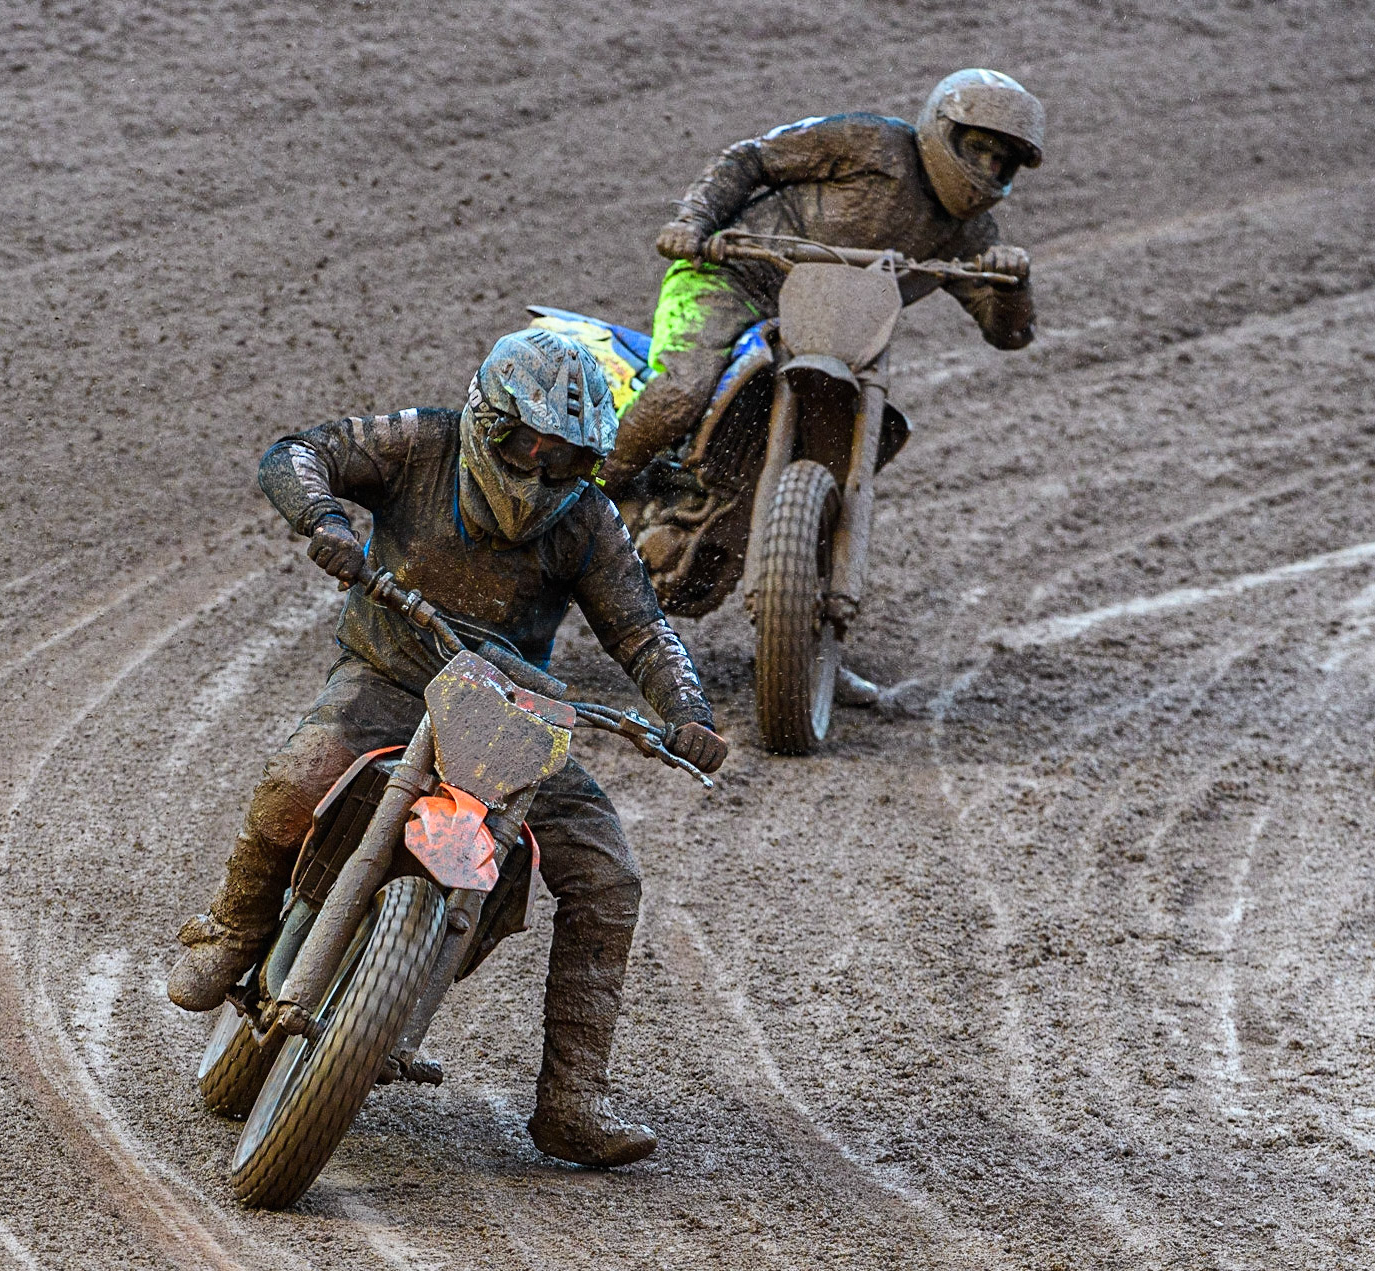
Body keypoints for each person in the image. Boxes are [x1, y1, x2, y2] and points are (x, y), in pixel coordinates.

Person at [169, 328, 727, 1167]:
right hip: (387, 675)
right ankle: (234, 927)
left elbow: (644, 630)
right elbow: (298, 451)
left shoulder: (590, 520)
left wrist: (686, 709)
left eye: (565, 458)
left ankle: (572, 1100)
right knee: (297, 775)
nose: (540, 470)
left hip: (509, 711)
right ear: (484, 419)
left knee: (609, 875)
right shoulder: (420, 442)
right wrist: (322, 518)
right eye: (524, 443)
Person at [601, 68, 1046, 496]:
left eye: (1000, 162)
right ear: (944, 128)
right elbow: (752, 157)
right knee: (684, 390)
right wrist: (693, 222)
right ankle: (590, 495)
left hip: (825, 333)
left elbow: (1008, 334)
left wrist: (1012, 286)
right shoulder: (872, 143)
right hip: (732, 280)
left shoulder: (971, 235)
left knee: (837, 436)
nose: (987, 169)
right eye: (978, 150)